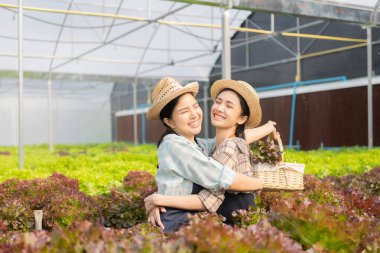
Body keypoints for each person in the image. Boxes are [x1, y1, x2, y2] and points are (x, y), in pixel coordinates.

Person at [145, 77, 275, 233]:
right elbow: (223, 177)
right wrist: (261, 183)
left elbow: (228, 139)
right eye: (184, 111)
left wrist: (268, 127)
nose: (194, 114)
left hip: (185, 219)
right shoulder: (174, 145)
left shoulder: (198, 145)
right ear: (169, 122)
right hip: (174, 220)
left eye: (195, 106)